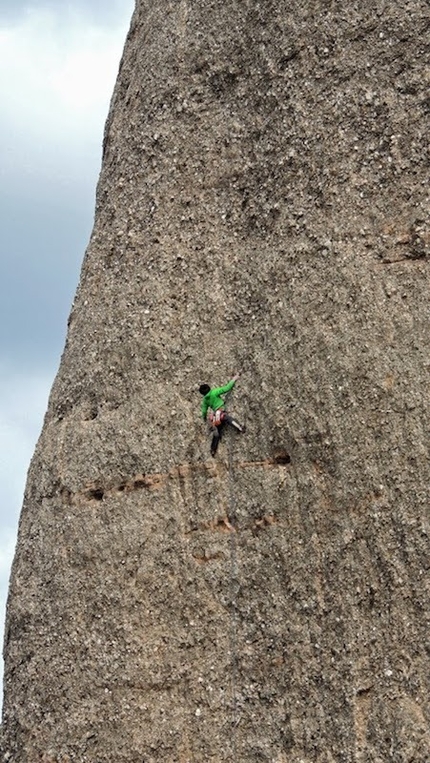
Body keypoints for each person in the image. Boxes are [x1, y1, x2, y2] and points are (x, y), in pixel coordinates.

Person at [199, 374, 245, 457]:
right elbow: (226, 388)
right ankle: (239, 427)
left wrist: (204, 418)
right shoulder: (214, 392)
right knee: (228, 419)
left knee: (217, 433)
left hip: (216, 417)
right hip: (221, 412)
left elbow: (204, 411)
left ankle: (213, 449)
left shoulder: (205, 400)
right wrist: (234, 379)